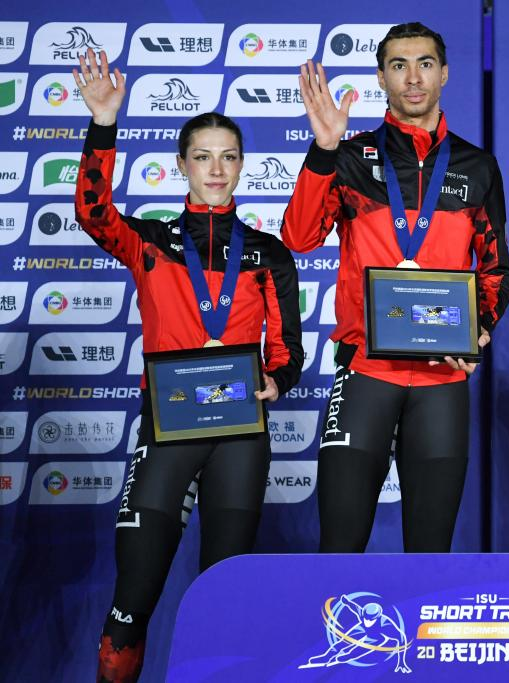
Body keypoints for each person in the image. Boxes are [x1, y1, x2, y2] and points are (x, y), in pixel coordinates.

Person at [73, 49, 303, 682]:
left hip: (239, 435)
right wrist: (103, 125)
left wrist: (276, 380)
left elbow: (288, 351)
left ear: (242, 165)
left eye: (228, 157)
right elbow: (93, 213)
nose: (216, 170)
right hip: (167, 426)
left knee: (226, 605)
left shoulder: (268, 254)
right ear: (182, 165)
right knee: (130, 604)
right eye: (203, 157)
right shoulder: (149, 241)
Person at [282, 22, 509, 553]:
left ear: (444, 73)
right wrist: (324, 150)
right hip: (365, 371)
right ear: (381, 77)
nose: (413, 78)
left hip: (441, 379)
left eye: (425, 64)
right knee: (340, 549)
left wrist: (477, 329)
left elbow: (497, 269)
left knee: (430, 555)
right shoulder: (349, 158)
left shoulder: (477, 166)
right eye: (399, 66)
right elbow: (298, 237)